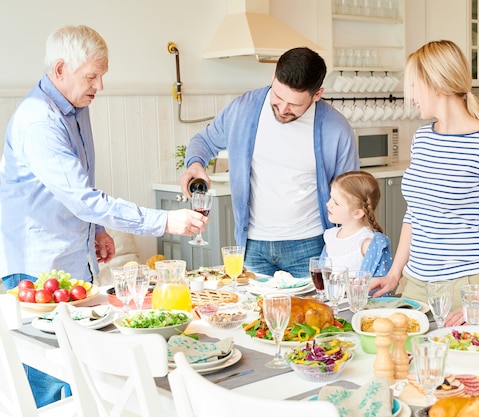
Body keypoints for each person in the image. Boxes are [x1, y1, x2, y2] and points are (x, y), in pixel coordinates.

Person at [0, 25, 206, 407]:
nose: (100, 85)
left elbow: (75, 183)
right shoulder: (39, 121)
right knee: (52, 388)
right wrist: (163, 221)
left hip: (69, 261)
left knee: (81, 380)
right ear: (60, 69)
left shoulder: (76, 107)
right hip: (37, 269)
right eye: (92, 76)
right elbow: (82, 197)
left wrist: (97, 230)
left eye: (102, 75)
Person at [369, 40, 479, 324]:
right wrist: (394, 273)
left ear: (436, 84)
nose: (410, 95)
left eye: (414, 85)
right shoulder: (423, 138)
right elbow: (414, 213)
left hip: (464, 287)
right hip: (415, 282)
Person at [180, 47, 359, 278]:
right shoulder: (243, 109)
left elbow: (353, 193)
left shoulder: (336, 128)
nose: (283, 109)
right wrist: (195, 164)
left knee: (310, 312)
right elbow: (203, 141)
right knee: (255, 313)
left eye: (294, 104)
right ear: (274, 77)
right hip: (254, 246)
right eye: (278, 97)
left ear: (317, 94)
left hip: (311, 245)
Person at [320, 171, 392, 276]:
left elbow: (378, 285)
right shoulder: (330, 237)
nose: (328, 204)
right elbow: (322, 275)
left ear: (357, 213)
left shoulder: (368, 243)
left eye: (336, 203)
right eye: (330, 198)